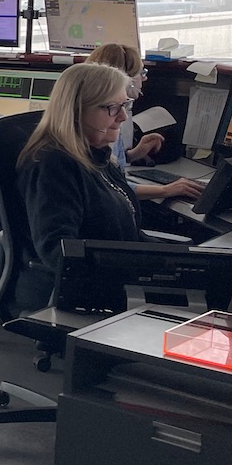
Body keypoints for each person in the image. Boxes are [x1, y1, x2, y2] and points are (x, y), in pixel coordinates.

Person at [13, 62, 141, 309]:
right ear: (76, 111)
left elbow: (129, 235)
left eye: (125, 105)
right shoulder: (54, 165)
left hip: (118, 275)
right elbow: (57, 250)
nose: (123, 117)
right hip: (86, 290)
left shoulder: (100, 157)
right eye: (113, 108)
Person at [86, 43, 201, 203]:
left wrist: (133, 155)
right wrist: (166, 190)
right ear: (126, 78)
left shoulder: (104, 117)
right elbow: (112, 187)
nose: (145, 78)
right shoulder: (102, 126)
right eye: (142, 72)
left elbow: (109, 171)